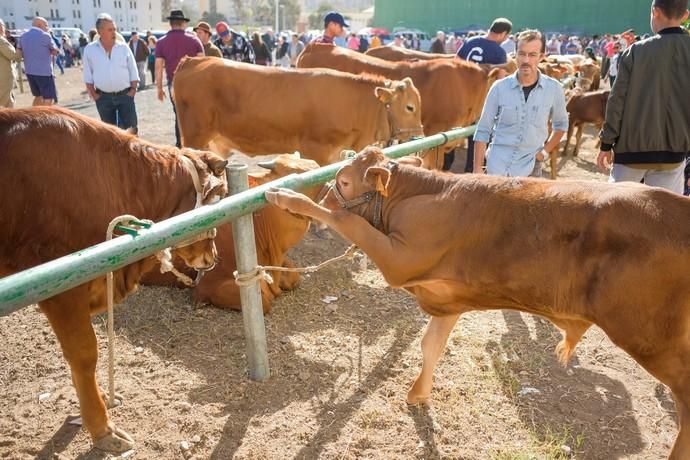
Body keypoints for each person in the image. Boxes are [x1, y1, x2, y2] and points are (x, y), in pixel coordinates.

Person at [597, 0, 690, 194]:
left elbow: (616, 101)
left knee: (616, 215)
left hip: (630, 152)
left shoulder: (636, 51)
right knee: (662, 219)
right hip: (674, 155)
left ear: (655, 12)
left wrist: (606, 143)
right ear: (685, 15)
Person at [473, 29, 568, 178]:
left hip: (531, 168)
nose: (526, 60)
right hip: (496, 168)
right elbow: (483, 129)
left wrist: (544, 153)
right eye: (522, 53)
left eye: (532, 55)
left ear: (541, 57)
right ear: (515, 54)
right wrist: (477, 170)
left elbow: (561, 125)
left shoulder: (554, 89)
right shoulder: (498, 88)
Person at [456, 17, 512, 172]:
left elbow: (455, 62)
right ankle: (471, 170)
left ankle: (445, 166)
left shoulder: (471, 41)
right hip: (479, 100)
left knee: (453, 131)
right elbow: (500, 80)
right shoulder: (499, 52)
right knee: (477, 136)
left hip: (458, 94)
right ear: (503, 34)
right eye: (506, 36)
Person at [82, 13, 139, 133]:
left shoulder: (123, 47)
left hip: (125, 96)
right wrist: (95, 95)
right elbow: (88, 75)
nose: (114, 32)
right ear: (100, 31)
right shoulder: (90, 50)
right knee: (109, 135)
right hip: (103, 98)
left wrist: (133, 90)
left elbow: (133, 70)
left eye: (114, 29)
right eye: (110, 30)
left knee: (132, 132)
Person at [155, 9, 204, 147]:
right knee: (195, 115)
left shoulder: (161, 42)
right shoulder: (194, 40)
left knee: (179, 115)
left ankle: (181, 145)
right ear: (183, 23)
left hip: (174, 84)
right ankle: (197, 144)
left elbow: (158, 67)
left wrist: (159, 88)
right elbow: (203, 64)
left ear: (170, 23)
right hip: (193, 85)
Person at [17, 17, 59, 106]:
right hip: (44, 72)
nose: (47, 28)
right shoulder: (45, 36)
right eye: (46, 25)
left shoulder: (23, 36)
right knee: (48, 98)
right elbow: (55, 51)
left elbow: (18, 52)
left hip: (30, 72)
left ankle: (33, 116)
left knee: (38, 96)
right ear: (40, 25)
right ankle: (44, 118)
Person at [0, 18, 20, 108]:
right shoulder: (1, 41)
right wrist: (20, 49)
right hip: (3, 77)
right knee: (6, 103)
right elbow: (13, 56)